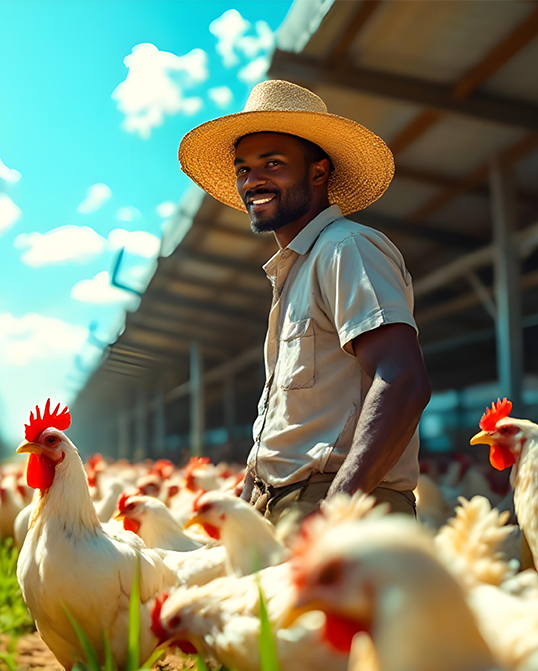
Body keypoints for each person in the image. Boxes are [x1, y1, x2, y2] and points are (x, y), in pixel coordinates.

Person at [178, 80, 431, 522]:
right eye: (243, 170)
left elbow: (403, 380)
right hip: (284, 503)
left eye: (272, 164)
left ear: (318, 172)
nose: (253, 180)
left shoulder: (346, 248)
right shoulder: (296, 271)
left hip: (335, 503)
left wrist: (336, 510)